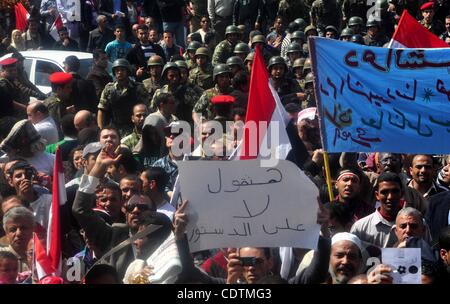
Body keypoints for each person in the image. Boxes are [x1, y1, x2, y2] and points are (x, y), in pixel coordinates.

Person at [72, 143, 172, 280]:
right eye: (131, 207)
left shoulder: (164, 237)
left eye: (142, 207)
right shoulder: (112, 235)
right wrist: (96, 170)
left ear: (154, 212)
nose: (136, 210)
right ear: (125, 212)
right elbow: (80, 209)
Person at [351, 172, 404, 249]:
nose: (390, 197)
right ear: (377, 195)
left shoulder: (416, 224)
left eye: (394, 191)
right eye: (384, 192)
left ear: (402, 193)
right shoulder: (360, 228)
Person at [97, 59, 150, 137]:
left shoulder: (138, 88)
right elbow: (102, 110)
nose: (119, 72)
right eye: (117, 70)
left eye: (122, 70)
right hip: (115, 127)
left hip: (134, 127)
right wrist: (101, 129)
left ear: (127, 71)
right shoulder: (109, 89)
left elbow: (147, 108)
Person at [0, 207, 34, 273]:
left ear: (33, 229)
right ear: (6, 233)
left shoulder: (42, 256)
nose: (18, 233)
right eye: (13, 229)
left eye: (24, 228)